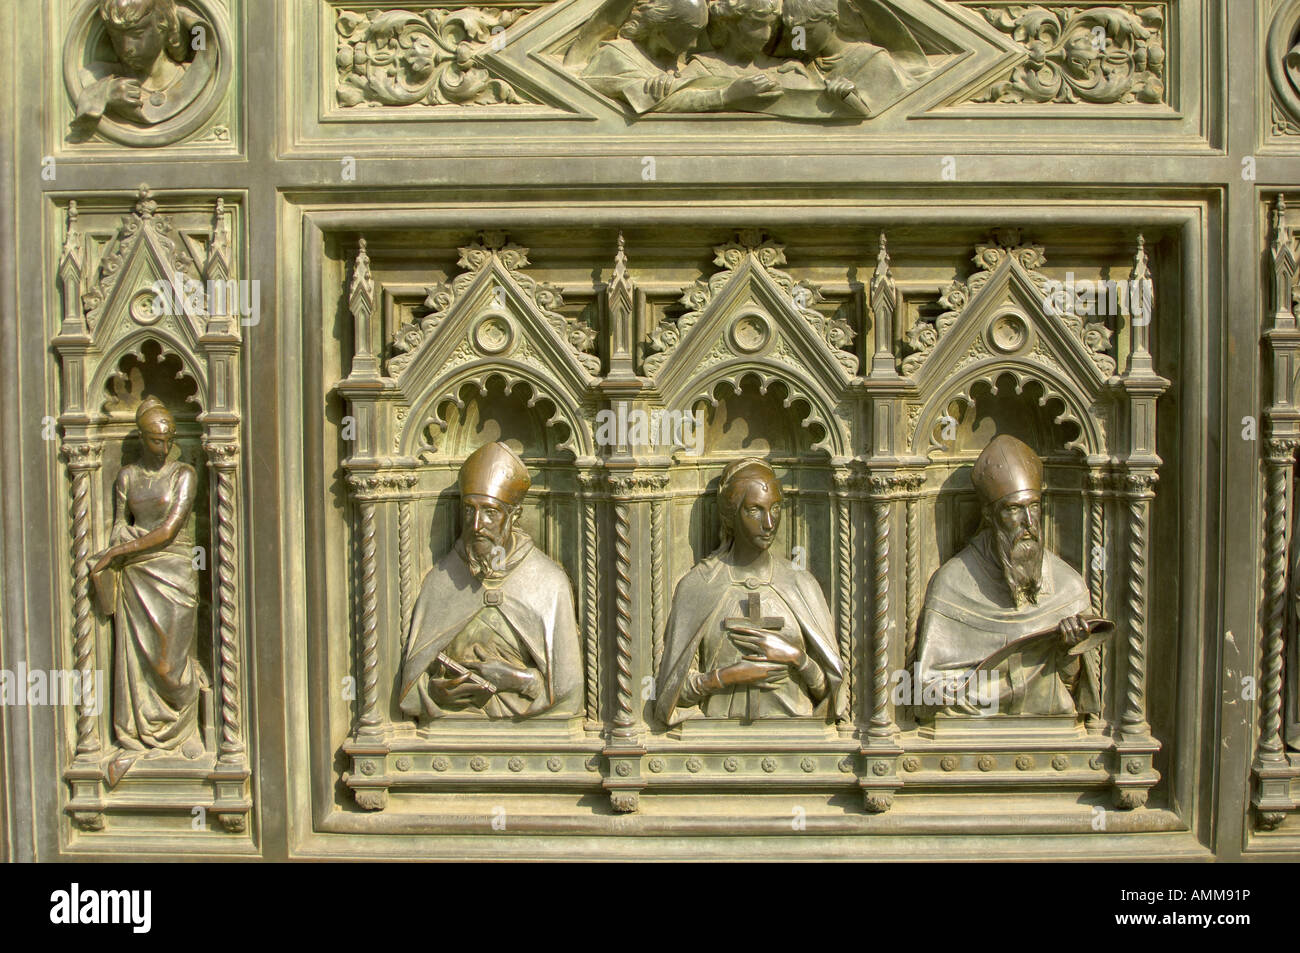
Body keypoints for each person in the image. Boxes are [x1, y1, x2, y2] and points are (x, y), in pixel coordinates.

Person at [914, 434, 1101, 717]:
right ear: (989, 515)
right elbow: (926, 695)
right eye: (1014, 509)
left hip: (1051, 737)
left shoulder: (1067, 586)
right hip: (966, 740)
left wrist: (1067, 652)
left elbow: (1080, 696)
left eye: (1034, 506)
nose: (1028, 522)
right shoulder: (952, 583)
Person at [399, 442, 582, 720]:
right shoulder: (442, 579)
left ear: (514, 516)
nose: (476, 525)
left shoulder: (548, 582)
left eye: (490, 511)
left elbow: (570, 692)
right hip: (451, 733)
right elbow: (411, 688)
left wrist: (519, 680)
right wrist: (434, 692)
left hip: (538, 736)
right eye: (469, 510)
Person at [655, 458, 846, 725]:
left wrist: (796, 657)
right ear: (731, 515)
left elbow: (834, 694)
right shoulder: (699, 585)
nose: (769, 523)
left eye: (775, 508)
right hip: (715, 744)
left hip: (798, 740)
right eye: (755, 510)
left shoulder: (800, 584)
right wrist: (726, 676)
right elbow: (672, 696)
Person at [91, 397, 205, 766]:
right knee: (141, 659)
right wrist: (116, 544)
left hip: (173, 571)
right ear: (142, 437)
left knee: (168, 662)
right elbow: (118, 523)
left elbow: (170, 529)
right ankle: (142, 731)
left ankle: (187, 723)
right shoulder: (127, 476)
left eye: (169, 437)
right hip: (136, 575)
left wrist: (116, 552)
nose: (164, 445)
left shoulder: (183, 473)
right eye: (157, 438)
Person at [71, 0, 213, 140]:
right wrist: (104, 94)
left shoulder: (194, 75)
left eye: (137, 34)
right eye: (116, 37)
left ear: (162, 26)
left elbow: (201, 38)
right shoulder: (95, 77)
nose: (126, 47)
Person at [779, 0, 914, 117]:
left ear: (831, 21)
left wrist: (853, 98)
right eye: (795, 33)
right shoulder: (802, 64)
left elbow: (904, 111)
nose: (799, 41)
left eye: (807, 31)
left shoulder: (874, 60)